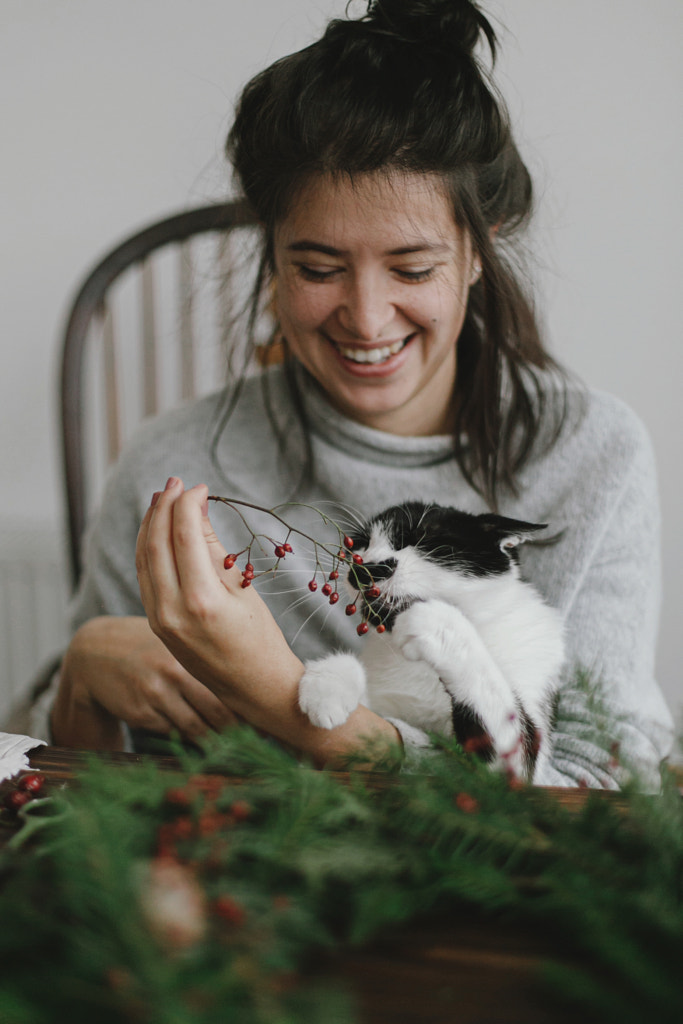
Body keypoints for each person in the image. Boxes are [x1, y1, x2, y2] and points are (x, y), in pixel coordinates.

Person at [43, 0, 673, 787]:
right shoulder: (172, 462)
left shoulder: (588, 458)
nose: (366, 318)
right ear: (270, 257)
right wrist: (82, 674)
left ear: (481, 250)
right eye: (316, 268)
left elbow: (606, 789)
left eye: (411, 270)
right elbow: (63, 782)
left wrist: (283, 700)